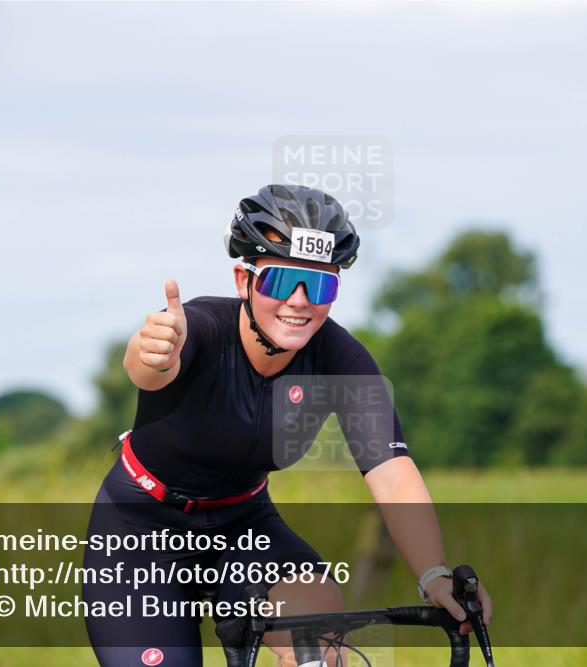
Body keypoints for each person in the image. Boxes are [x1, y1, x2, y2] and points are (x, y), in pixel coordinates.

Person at [82, 184, 492, 667]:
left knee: (318, 630)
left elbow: (391, 471)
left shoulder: (343, 360)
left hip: (243, 530)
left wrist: (435, 575)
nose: (299, 301)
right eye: (280, 282)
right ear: (243, 280)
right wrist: (150, 351)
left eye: (319, 286)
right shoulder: (199, 328)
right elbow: (149, 369)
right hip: (141, 531)